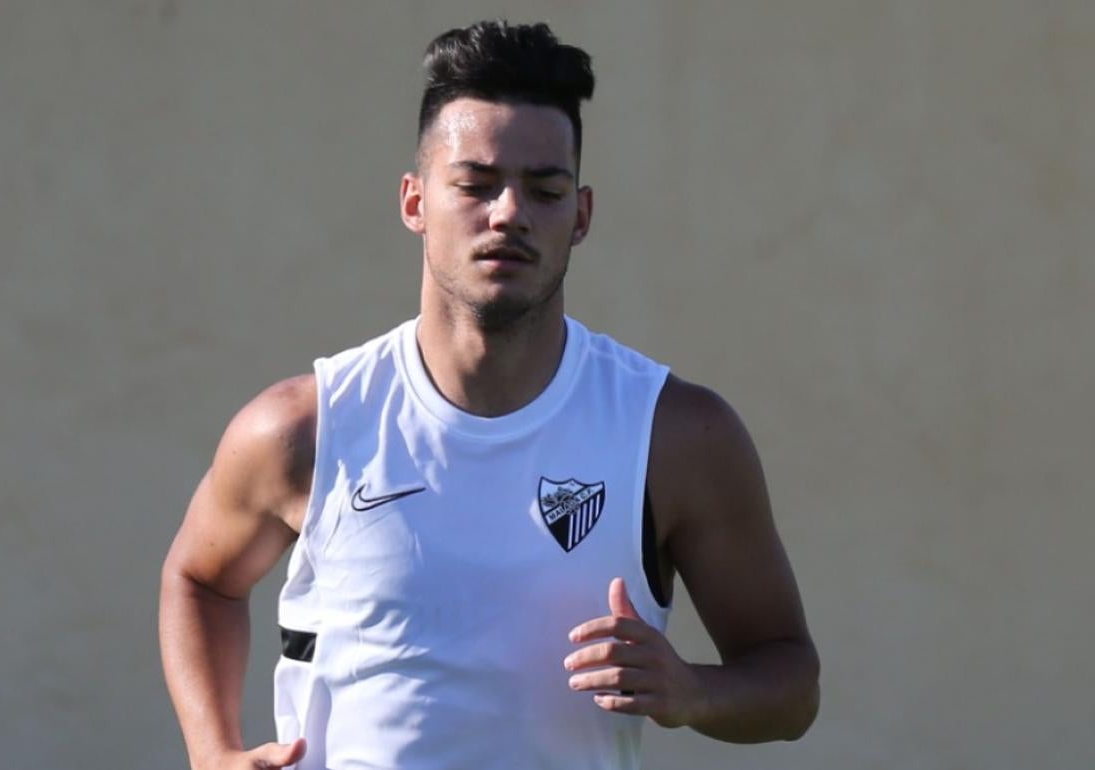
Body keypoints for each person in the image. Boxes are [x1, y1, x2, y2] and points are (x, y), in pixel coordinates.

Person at [159, 20, 819, 770]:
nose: (509, 213)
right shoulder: (306, 426)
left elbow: (792, 684)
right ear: (414, 202)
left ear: (582, 216)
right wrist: (212, 752)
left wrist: (692, 691)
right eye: (475, 185)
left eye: (545, 189)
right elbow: (200, 581)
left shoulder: (673, 436)